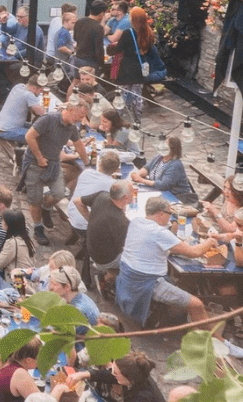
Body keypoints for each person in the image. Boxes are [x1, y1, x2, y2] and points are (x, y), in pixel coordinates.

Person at [116, 196, 218, 328]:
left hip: (128, 277)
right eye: (170, 213)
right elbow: (195, 252)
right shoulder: (160, 233)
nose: (171, 217)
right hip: (148, 284)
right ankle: (216, 339)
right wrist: (211, 240)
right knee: (197, 304)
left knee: (177, 282)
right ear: (161, 213)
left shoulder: (136, 222)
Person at [21, 102, 90, 246]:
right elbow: (29, 137)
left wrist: (88, 164)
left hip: (53, 164)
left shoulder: (71, 127)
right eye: (80, 116)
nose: (81, 120)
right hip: (34, 163)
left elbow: (79, 145)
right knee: (35, 199)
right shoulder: (49, 119)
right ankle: (38, 227)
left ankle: (46, 209)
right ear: (70, 110)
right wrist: (39, 158)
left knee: (59, 193)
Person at [75, 180, 132, 283]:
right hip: (106, 260)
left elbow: (77, 201)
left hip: (91, 249)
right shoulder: (120, 221)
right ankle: (110, 277)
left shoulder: (101, 196)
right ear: (126, 198)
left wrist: (91, 220)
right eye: (132, 192)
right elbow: (129, 249)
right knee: (139, 258)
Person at [106, 7, 154, 121]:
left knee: (123, 94)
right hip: (139, 68)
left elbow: (119, 49)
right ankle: (137, 119)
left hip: (126, 67)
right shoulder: (149, 32)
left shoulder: (128, 33)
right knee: (137, 95)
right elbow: (150, 51)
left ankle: (119, 118)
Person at [66, 150, 119, 242]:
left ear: (100, 163)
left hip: (72, 213)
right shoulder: (114, 185)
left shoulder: (87, 173)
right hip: (85, 223)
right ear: (116, 170)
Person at [129, 136, 193, 201]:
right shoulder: (159, 157)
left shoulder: (175, 165)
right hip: (158, 193)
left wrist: (142, 180)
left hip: (177, 197)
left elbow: (163, 185)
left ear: (172, 149)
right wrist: (137, 175)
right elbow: (147, 168)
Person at [0, 77, 46, 145]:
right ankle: (31, 154)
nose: (41, 92)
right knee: (41, 137)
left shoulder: (19, 86)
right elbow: (41, 112)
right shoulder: (29, 95)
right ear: (33, 88)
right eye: (40, 90)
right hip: (7, 131)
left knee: (38, 127)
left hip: (1, 125)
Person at [71, 0, 108, 76]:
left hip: (78, 58)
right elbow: (99, 49)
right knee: (90, 84)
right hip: (91, 62)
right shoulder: (98, 27)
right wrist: (102, 65)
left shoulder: (79, 21)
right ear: (101, 14)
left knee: (75, 82)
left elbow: (75, 38)